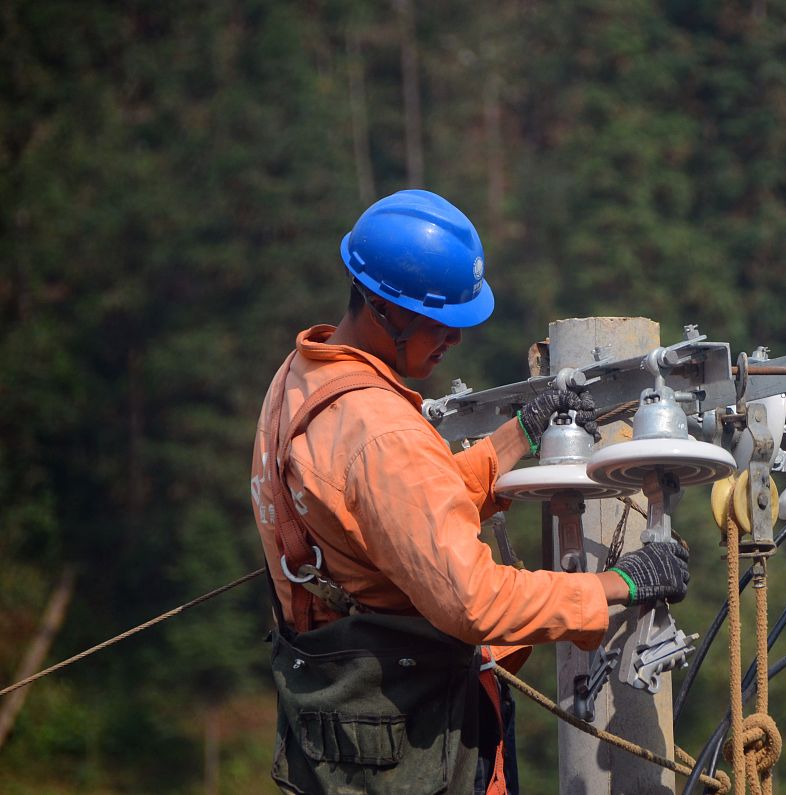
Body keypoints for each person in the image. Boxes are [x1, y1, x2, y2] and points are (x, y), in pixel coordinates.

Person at [249, 189, 691, 795]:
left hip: (332, 713)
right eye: (441, 323)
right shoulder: (383, 432)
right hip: (402, 724)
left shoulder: (302, 379)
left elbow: (392, 517)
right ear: (384, 307)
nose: (454, 340)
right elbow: (474, 602)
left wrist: (517, 439)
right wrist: (622, 583)